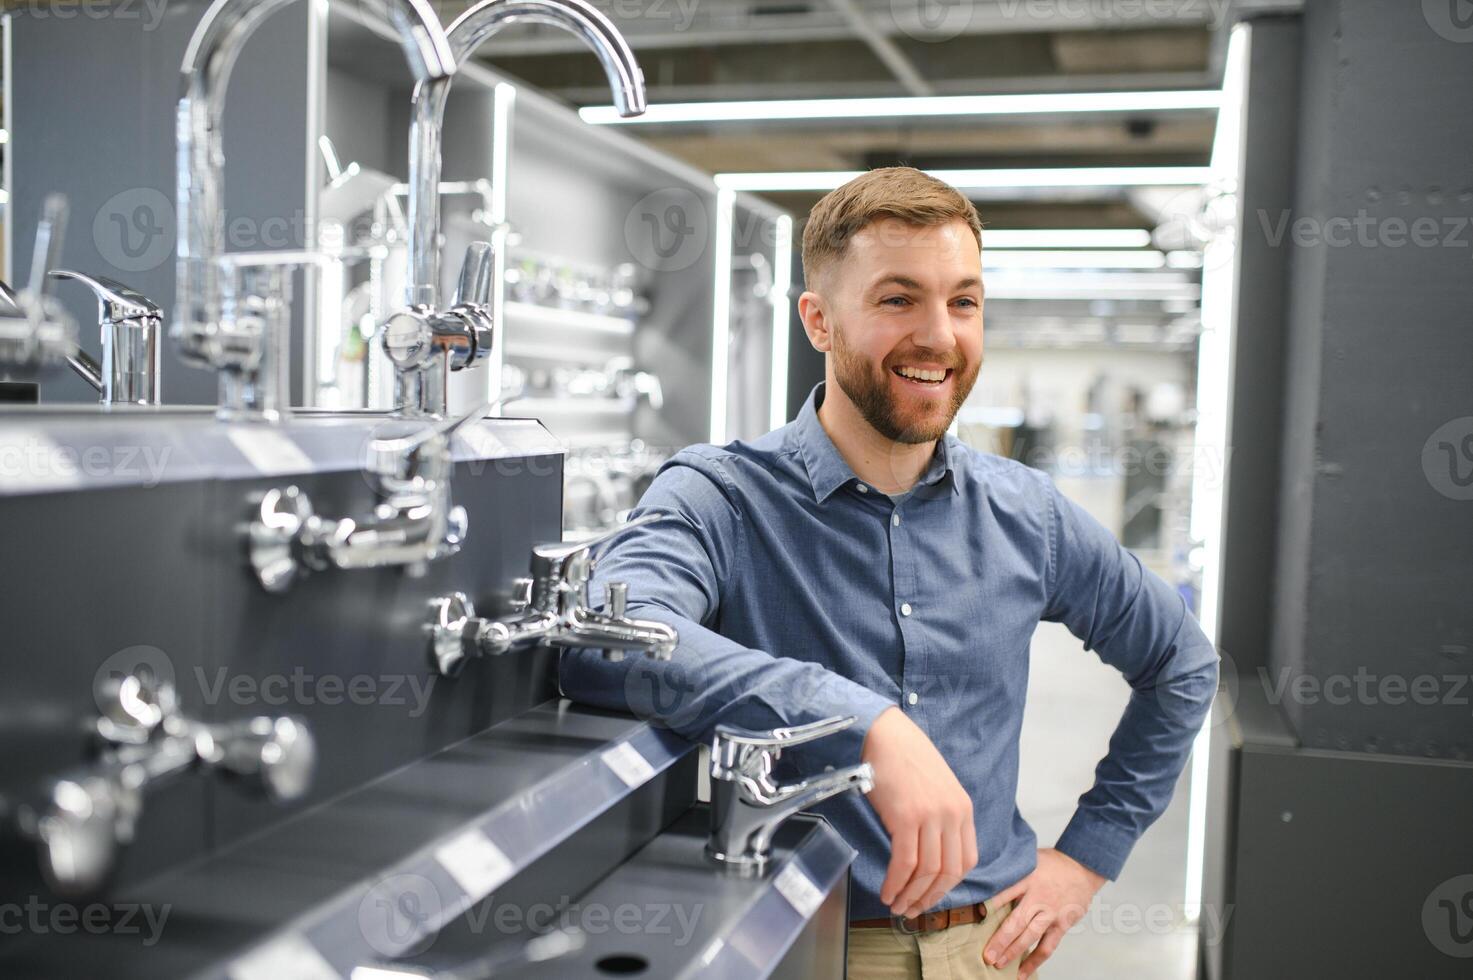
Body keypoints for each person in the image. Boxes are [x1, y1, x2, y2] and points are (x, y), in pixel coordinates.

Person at [560, 166, 1219, 979]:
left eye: (963, 301)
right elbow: (608, 641)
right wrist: (859, 719)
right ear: (819, 321)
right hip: (799, 944)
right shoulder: (721, 496)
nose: (939, 336)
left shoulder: (1029, 515)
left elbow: (1180, 662)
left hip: (988, 947)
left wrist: (1087, 857)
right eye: (897, 299)